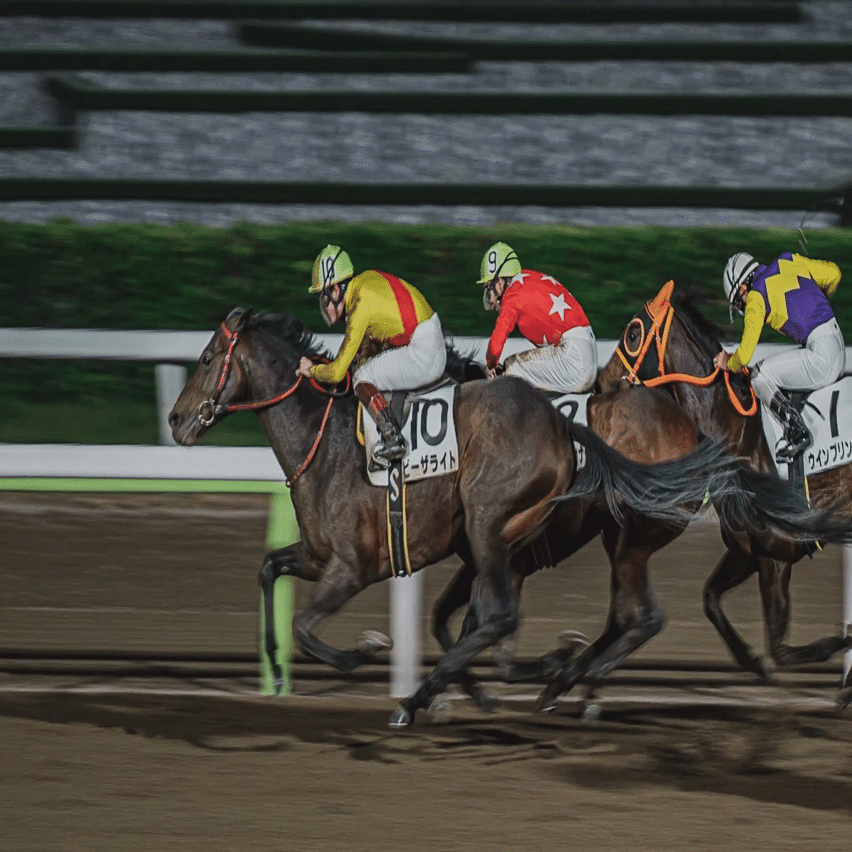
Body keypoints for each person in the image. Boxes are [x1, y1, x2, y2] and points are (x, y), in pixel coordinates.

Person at [298, 245, 446, 465]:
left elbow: (338, 373)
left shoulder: (359, 307)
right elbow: (369, 341)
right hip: (428, 337)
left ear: (336, 291)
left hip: (423, 352)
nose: (325, 306)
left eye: (324, 298)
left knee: (362, 378)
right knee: (366, 367)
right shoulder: (367, 280)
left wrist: (312, 370)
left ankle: (393, 439)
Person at [714, 250, 845, 461]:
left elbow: (745, 357)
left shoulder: (756, 297)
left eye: (739, 302)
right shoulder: (788, 260)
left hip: (821, 357)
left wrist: (728, 361)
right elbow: (834, 274)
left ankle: (795, 432)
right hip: (837, 343)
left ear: (742, 288)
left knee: (759, 375)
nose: (743, 307)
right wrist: (814, 297)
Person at [477, 241, 597, 393]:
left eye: (489, 288)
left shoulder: (512, 295)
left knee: (511, 367)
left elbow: (495, 346)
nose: (491, 299)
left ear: (500, 282)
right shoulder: (529, 277)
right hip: (587, 350)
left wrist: (490, 365)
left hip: (574, 357)